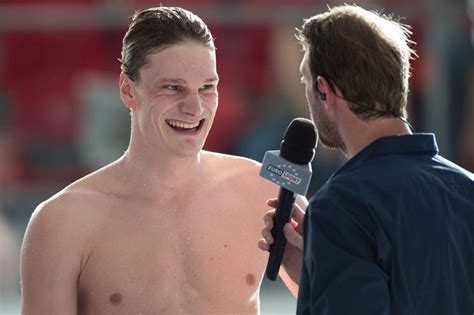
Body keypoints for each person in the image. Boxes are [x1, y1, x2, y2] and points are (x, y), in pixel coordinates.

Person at [20, 6, 304, 314]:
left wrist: (310, 272)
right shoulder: (62, 223)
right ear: (128, 90)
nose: (195, 108)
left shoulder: (264, 190)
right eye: (173, 88)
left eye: (207, 88)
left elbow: (336, 298)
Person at [259, 4, 474, 314]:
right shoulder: (466, 189)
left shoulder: (341, 206)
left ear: (324, 90)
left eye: (305, 81)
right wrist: (316, 272)